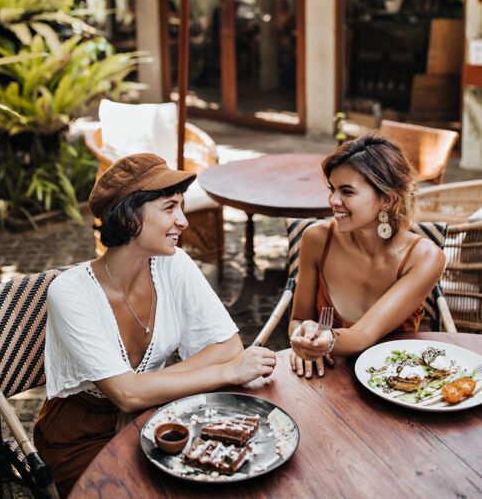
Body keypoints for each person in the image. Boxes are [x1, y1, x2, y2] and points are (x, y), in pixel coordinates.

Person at [34, 153, 276, 496]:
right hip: (81, 436)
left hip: (155, 415)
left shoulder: (172, 264)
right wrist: (228, 373)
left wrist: (144, 387)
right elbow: (126, 393)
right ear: (131, 215)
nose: (184, 221)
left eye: (181, 207)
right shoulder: (70, 291)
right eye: (169, 208)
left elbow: (228, 347)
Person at [289, 132, 445, 379]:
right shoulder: (316, 239)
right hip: (324, 378)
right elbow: (299, 318)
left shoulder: (424, 258)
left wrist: (324, 340)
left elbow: (363, 335)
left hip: (395, 385)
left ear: (386, 200)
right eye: (332, 189)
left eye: (347, 192)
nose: (333, 200)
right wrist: (303, 341)